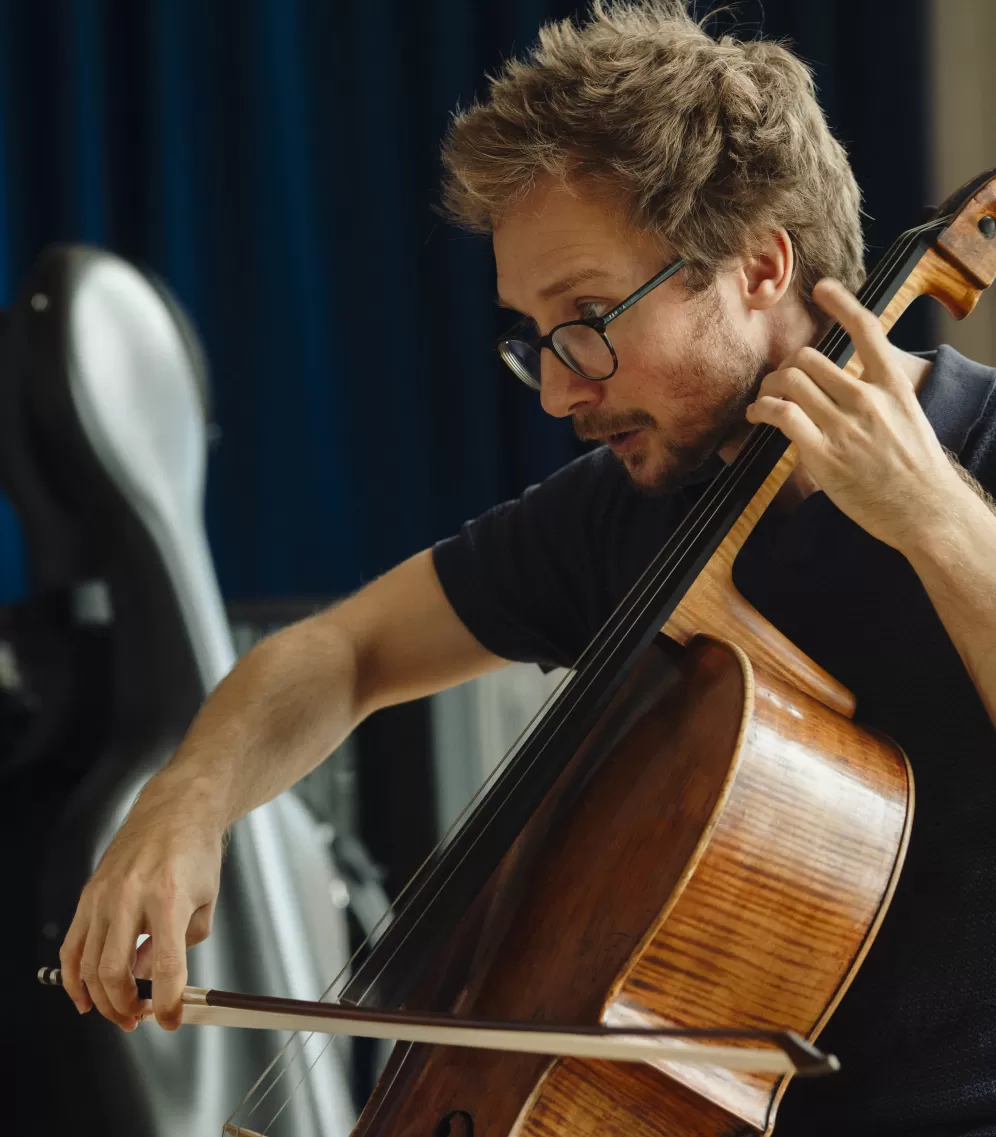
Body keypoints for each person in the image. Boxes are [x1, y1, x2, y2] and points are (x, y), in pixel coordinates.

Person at [59, 2, 996, 1134]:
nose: (559, 392)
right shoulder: (640, 511)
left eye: (589, 318)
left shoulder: (982, 456)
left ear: (758, 265)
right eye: (532, 337)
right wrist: (182, 802)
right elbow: (339, 652)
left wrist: (938, 523)